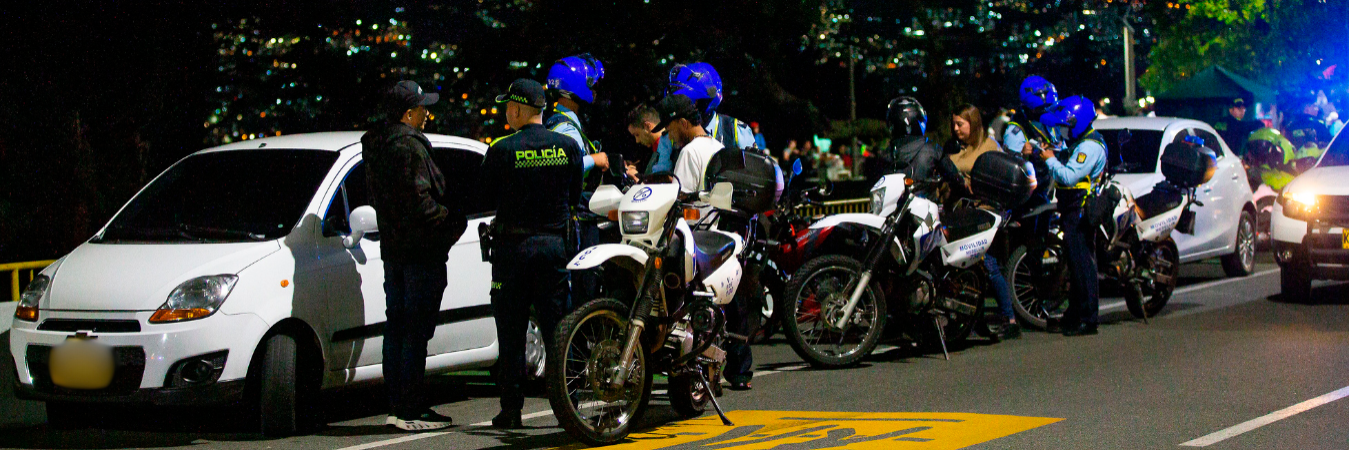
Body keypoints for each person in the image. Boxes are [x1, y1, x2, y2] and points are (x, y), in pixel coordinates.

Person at [481, 79, 585, 429]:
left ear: (517, 109)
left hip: (513, 251)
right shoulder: (568, 146)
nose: (506, 113)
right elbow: (574, 197)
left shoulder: (502, 149)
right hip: (554, 248)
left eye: (508, 107)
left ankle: (511, 410)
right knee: (558, 330)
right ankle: (564, 407)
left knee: (511, 333)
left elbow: (486, 195)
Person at [362, 80, 466, 431]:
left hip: (394, 250)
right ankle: (411, 407)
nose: (428, 114)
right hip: (421, 251)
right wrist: (451, 222)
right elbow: (420, 201)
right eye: (423, 108)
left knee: (398, 328)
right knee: (416, 331)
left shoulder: (376, 145)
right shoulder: (409, 147)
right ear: (409, 113)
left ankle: (397, 404)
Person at [665, 62, 763, 391]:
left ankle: (734, 368)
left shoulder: (727, 135)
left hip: (722, 229)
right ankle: (713, 369)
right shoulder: (691, 138)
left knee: (730, 301)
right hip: (708, 230)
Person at [1036, 96, 1106, 337]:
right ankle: (1075, 314)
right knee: (1076, 264)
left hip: (1081, 209)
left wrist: (1050, 160)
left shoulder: (1090, 147)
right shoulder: (1080, 141)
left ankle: (1088, 319)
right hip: (1071, 208)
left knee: (1083, 264)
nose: (1062, 130)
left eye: (1065, 125)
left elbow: (1068, 176)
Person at [949, 104, 1020, 340]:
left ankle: (1009, 318)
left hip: (985, 215)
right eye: (954, 124)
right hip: (962, 216)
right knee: (962, 267)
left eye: (961, 124)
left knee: (987, 266)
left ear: (974, 123)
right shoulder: (957, 149)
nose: (956, 128)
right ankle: (974, 318)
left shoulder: (988, 148)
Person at [545, 54, 611, 305]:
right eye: (590, 84)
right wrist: (596, 160)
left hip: (570, 219)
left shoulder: (557, 120)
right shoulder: (566, 128)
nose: (593, 90)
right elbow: (564, 166)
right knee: (584, 292)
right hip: (578, 222)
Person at [1004, 76, 1061, 207]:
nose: (1046, 111)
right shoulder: (1016, 129)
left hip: (1048, 190)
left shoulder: (1050, 123)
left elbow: (1060, 145)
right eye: (1042, 108)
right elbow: (1009, 168)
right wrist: (1023, 154)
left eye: (1048, 107)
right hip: (1028, 197)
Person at [628, 103, 673, 175]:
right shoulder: (656, 149)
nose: (637, 141)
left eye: (637, 135)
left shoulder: (668, 146)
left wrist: (638, 177)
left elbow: (664, 180)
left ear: (647, 126)